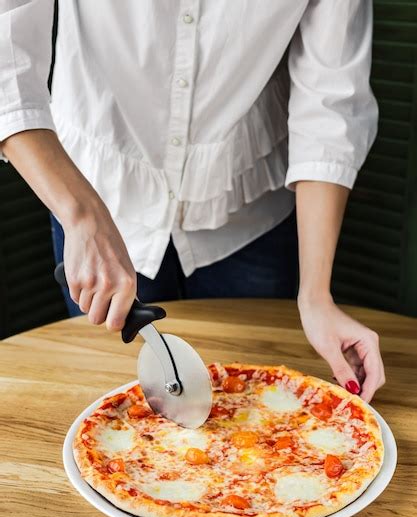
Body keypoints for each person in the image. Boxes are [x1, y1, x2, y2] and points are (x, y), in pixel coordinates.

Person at [0, 1, 385, 401]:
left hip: (245, 207)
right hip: (94, 202)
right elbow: (6, 62)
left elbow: (330, 100)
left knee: (251, 409)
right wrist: (81, 214)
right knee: (107, 400)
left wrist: (316, 296)